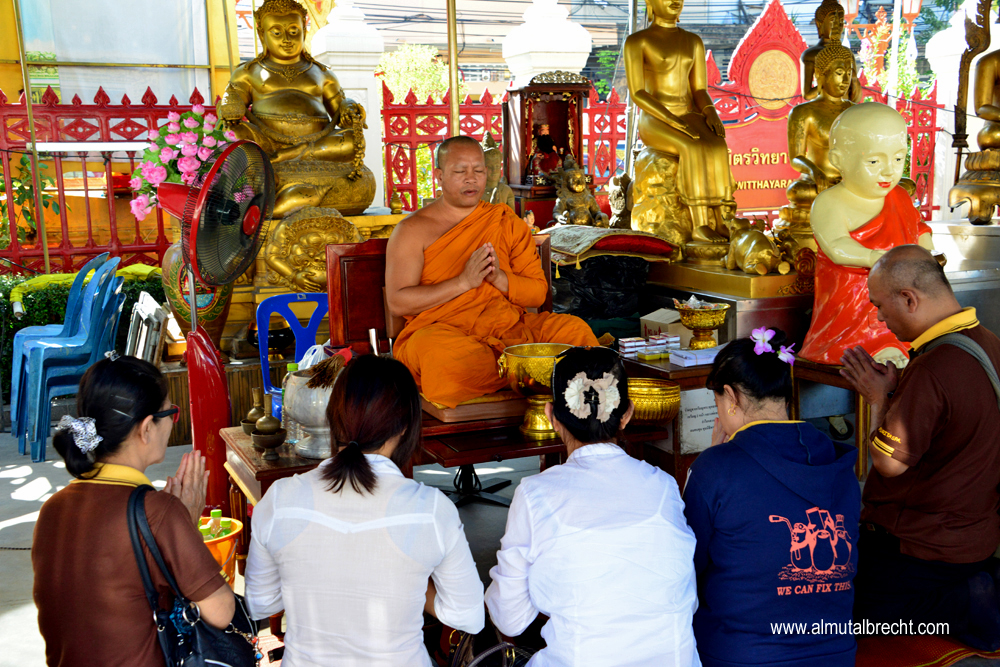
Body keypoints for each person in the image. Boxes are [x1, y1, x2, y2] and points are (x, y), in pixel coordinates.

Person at [245, 355, 485, 666]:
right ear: (405, 426)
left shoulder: (280, 499)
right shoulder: (431, 510)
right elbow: (468, 615)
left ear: (333, 418)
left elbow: (261, 603)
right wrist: (414, 576)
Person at [486, 347, 700, 666]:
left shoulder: (535, 494)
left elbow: (509, 618)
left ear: (551, 415)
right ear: (627, 413)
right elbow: (688, 601)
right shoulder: (663, 486)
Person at [840, 244, 1000, 650]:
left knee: (845, 611)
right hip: (978, 535)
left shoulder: (934, 366)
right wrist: (901, 394)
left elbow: (889, 464)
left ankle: (965, 602)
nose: (879, 317)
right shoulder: (989, 343)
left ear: (909, 299)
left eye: (880, 305)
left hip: (922, 546)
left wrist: (878, 399)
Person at [33, 356, 234, 667]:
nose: (172, 422)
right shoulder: (158, 511)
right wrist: (186, 525)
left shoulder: (52, 508)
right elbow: (221, 612)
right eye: (170, 413)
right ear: (146, 429)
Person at [683, 330, 860, 667]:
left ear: (731, 396)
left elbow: (687, 566)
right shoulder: (838, 464)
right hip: (835, 653)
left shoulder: (715, 469)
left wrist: (713, 461)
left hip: (742, 655)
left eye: (717, 402)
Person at [387, 135, 598, 408]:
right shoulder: (412, 230)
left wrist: (500, 279)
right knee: (440, 359)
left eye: (478, 170)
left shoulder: (504, 222)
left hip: (510, 330)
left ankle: (521, 374)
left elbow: (537, 294)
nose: (471, 179)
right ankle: (531, 373)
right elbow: (398, 302)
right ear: (439, 176)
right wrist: (462, 282)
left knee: (575, 333)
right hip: (444, 333)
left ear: (487, 173)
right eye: (460, 171)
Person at [800, 103, 933, 367]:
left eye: (898, 159)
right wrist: (877, 258)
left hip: (901, 286)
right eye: (874, 161)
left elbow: (917, 228)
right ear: (838, 160)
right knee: (862, 313)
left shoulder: (900, 196)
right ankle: (864, 345)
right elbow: (836, 245)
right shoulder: (831, 202)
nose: (889, 171)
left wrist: (927, 254)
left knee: (910, 316)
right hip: (853, 289)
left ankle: (898, 343)